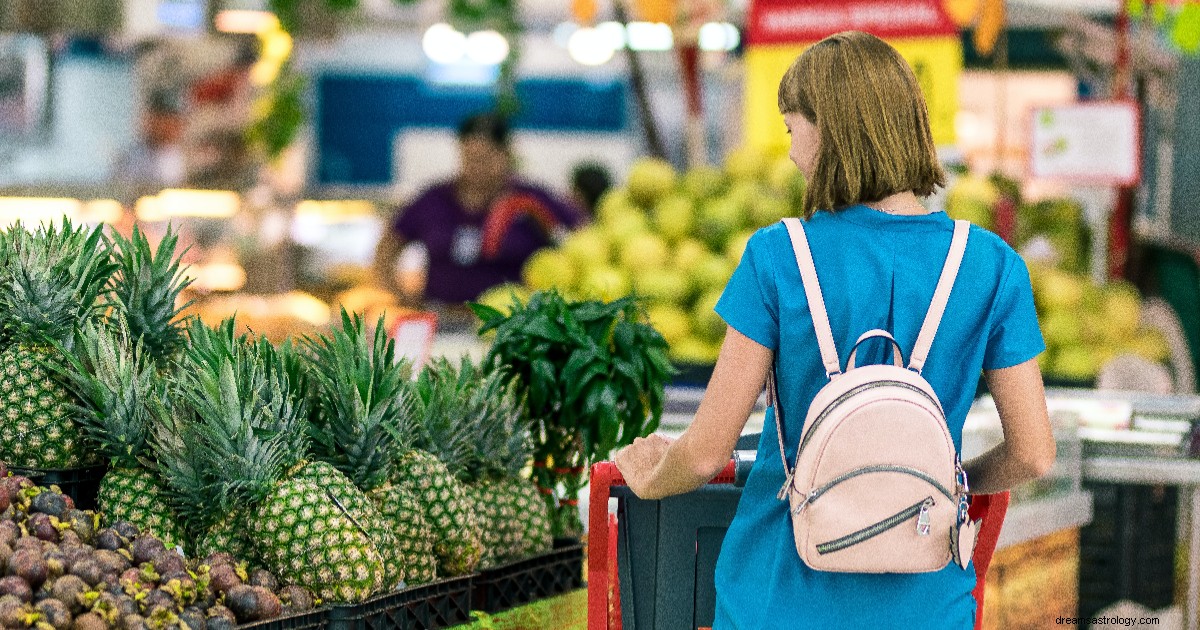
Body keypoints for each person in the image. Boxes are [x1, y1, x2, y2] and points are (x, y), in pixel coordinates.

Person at [614, 31, 1055, 629]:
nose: (792, 153)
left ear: (828, 132)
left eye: (793, 129)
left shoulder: (778, 257)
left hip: (778, 595)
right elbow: (1033, 454)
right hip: (927, 601)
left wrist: (649, 476)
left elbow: (705, 452)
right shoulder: (992, 266)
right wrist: (938, 487)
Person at [374, 113, 585, 307]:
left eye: (485, 158)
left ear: (506, 154)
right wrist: (402, 298)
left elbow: (580, 240)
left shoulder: (532, 200)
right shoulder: (433, 200)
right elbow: (387, 248)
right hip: (441, 319)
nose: (476, 167)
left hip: (514, 324)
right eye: (469, 158)